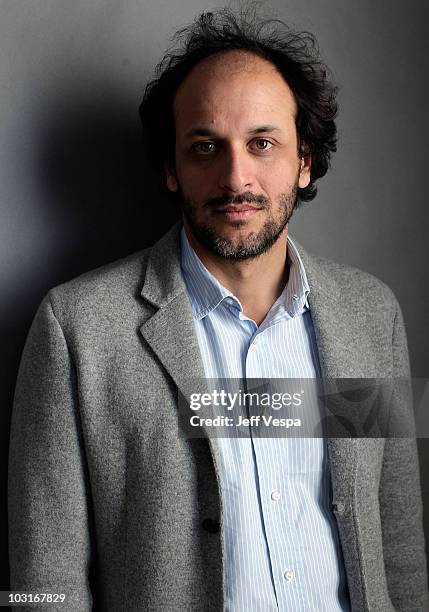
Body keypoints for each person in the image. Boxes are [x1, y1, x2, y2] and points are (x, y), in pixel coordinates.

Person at [8, 8, 428, 612]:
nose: (236, 177)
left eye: (263, 143)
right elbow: (41, 582)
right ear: (172, 169)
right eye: (205, 147)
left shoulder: (371, 314)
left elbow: (399, 545)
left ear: (303, 159)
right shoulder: (76, 329)